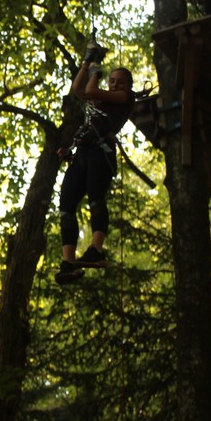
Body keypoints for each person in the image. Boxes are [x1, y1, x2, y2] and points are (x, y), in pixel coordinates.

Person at [55, 41, 136, 285]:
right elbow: (78, 87)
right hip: (83, 152)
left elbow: (90, 91)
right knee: (66, 203)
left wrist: (97, 69)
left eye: (119, 82)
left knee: (95, 197)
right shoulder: (101, 101)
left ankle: (97, 249)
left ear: (128, 86)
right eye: (111, 81)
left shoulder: (124, 98)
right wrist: (87, 62)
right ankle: (68, 262)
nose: (114, 85)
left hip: (101, 152)